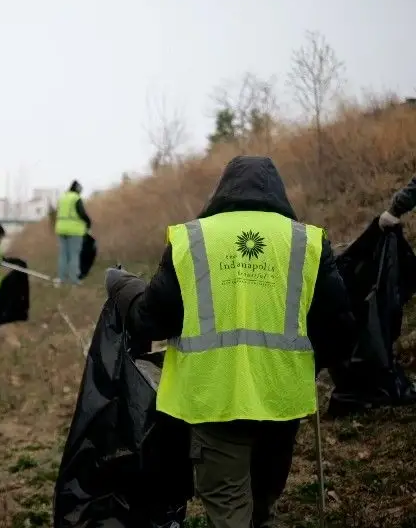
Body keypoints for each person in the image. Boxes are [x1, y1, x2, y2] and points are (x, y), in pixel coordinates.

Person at [105, 155, 356, 528]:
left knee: (228, 507)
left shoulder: (192, 238)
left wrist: (125, 289)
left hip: (213, 401)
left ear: (222, 190)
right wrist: (304, 367)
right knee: (262, 504)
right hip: (281, 402)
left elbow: (152, 321)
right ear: (278, 193)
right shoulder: (307, 242)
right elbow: (339, 330)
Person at [54, 180, 92, 285]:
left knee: (63, 255)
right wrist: (88, 223)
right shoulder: (76, 198)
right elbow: (82, 213)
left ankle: (61, 279)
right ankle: (74, 280)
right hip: (74, 230)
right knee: (74, 255)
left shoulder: (63, 198)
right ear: (77, 189)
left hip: (61, 229)